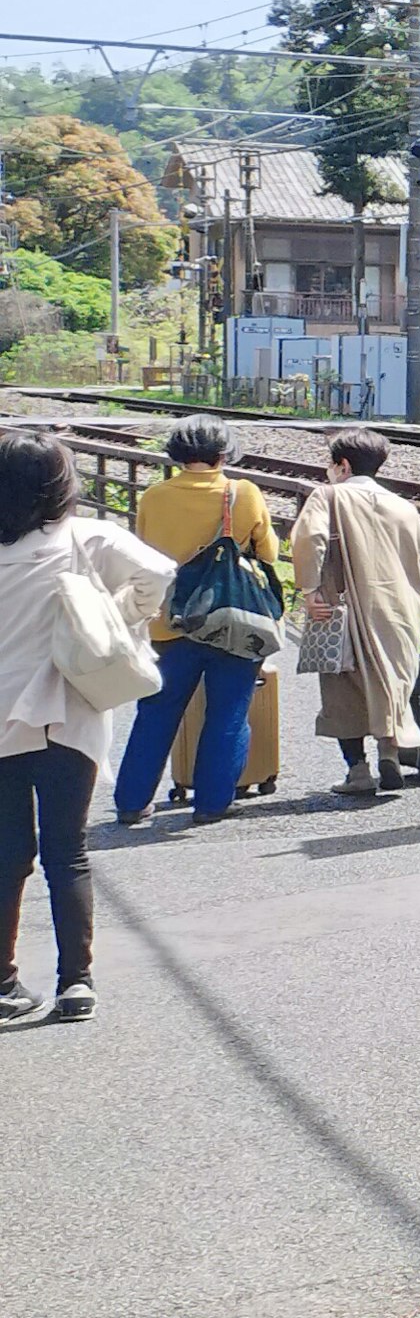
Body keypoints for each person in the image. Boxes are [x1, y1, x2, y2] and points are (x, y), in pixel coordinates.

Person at [0, 434, 174, 1022]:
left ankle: (3, 984)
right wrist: (118, 615)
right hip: (65, 715)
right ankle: (76, 983)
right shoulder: (84, 537)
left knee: (6, 855)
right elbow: (158, 571)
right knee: (66, 852)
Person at [114, 419, 282, 827]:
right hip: (232, 621)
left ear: (176, 453)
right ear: (224, 454)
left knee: (156, 711)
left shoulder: (154, 497)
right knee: (228, 713)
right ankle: (211, 803)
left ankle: (132, 802)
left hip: (172, 622)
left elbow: (144, 553)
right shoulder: (243, 493)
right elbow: (270, 553)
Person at [292, 430, 420, 797]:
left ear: (342, 466)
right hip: (399, 612)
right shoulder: (403, 507)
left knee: (343, 691)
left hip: (342, 610)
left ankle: (357, 770)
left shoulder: (327, 496)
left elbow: (308, 540)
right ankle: (389, 755)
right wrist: (414, 597)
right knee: (391, 684)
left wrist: (309, 590)